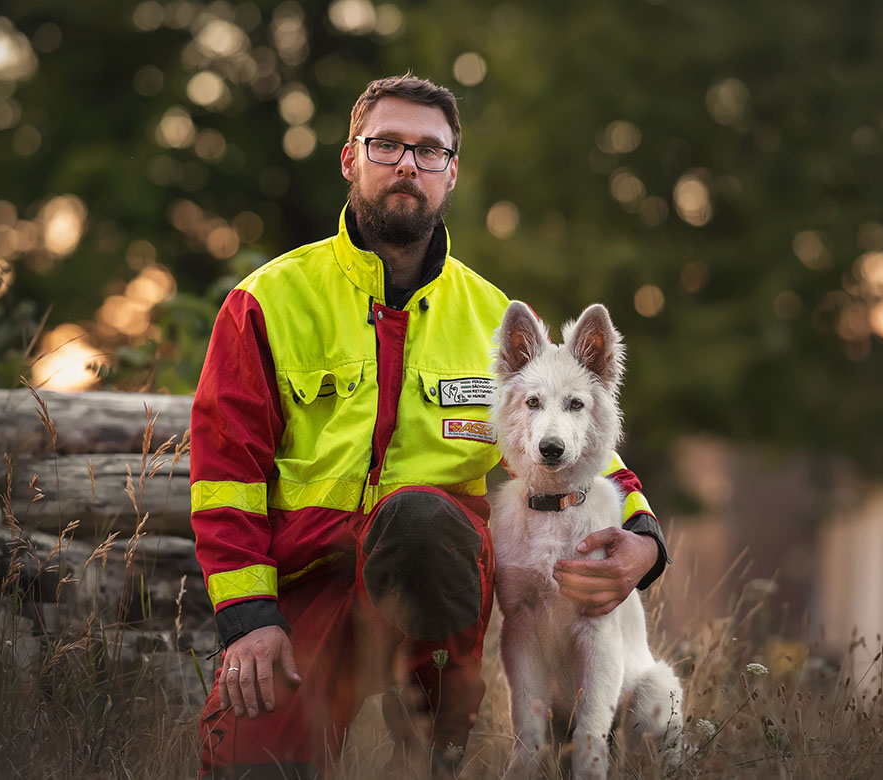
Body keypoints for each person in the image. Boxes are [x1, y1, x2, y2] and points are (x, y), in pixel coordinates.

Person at [190, 74, 671, 779]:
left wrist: (645, 540)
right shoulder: (266, 301)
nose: (407, 164)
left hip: (434, 582)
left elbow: (571, 448)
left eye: (429, 150)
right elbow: (224, 476)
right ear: (350, 158)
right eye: (387, 145)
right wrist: (249, 617)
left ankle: (433, 745)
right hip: (304, 586)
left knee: (422, 519)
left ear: (452, 173)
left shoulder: (494, 318)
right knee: (251, 770)